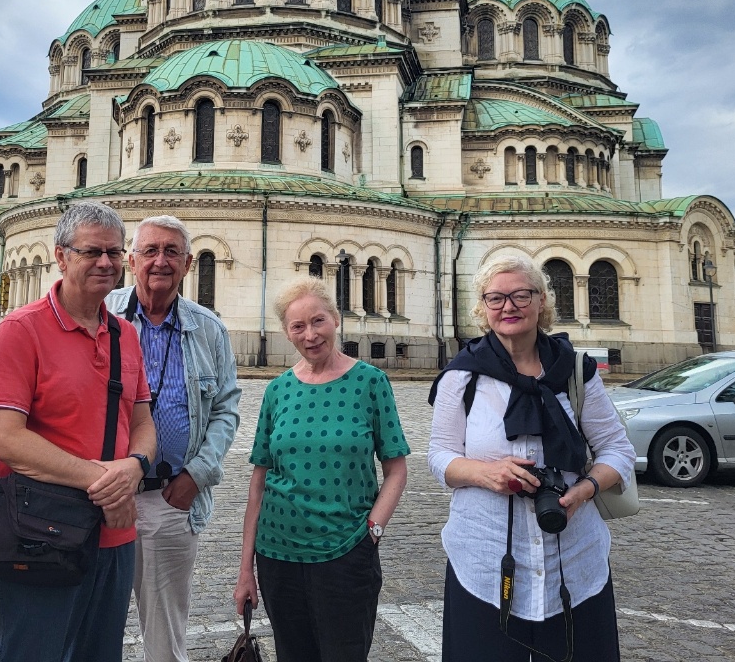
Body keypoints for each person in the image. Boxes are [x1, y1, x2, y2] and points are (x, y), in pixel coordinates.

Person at [426, 255, 636, 662]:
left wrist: (586, 489)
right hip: (484, 560)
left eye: (521, 295)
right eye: (496, 298)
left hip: (574, 559)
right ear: (483, 308)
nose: (509, 306)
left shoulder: (576, 370)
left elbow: (618, 449)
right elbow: (439, 456)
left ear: (541, 302)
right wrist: (486, 473)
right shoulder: (462, 376)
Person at [0, 201, 157, 662]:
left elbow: (141, 421)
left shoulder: (125, 334)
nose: (106, 263)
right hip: (40, 532)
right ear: (61, 256)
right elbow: (8, 440)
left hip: (114, 535)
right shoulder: (21, 329)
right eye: (92, 251)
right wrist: (107, 482)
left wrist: (135, 467)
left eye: (115, 253)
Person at [234, 277, 409, 662]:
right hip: (277, 555)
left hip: (346, 553)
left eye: (318, 321)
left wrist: (372, 532)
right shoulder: (277, 390)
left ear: (335, 320)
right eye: (298, 326)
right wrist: (246, 568)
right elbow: (259, 483)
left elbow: (397, 469)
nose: (310, 334)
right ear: (287, 333)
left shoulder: (370, 382)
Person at [105, 215, 241, 662]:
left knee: (165, 633)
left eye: (172, 252)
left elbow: (225, 409)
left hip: (169, 498)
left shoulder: (208, 329)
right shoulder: (100, 315)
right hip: (99, 495)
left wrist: (196, 477)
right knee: (90, 618)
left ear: (187, 263)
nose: (160, 261)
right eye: (150, 251)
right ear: (131, 260)